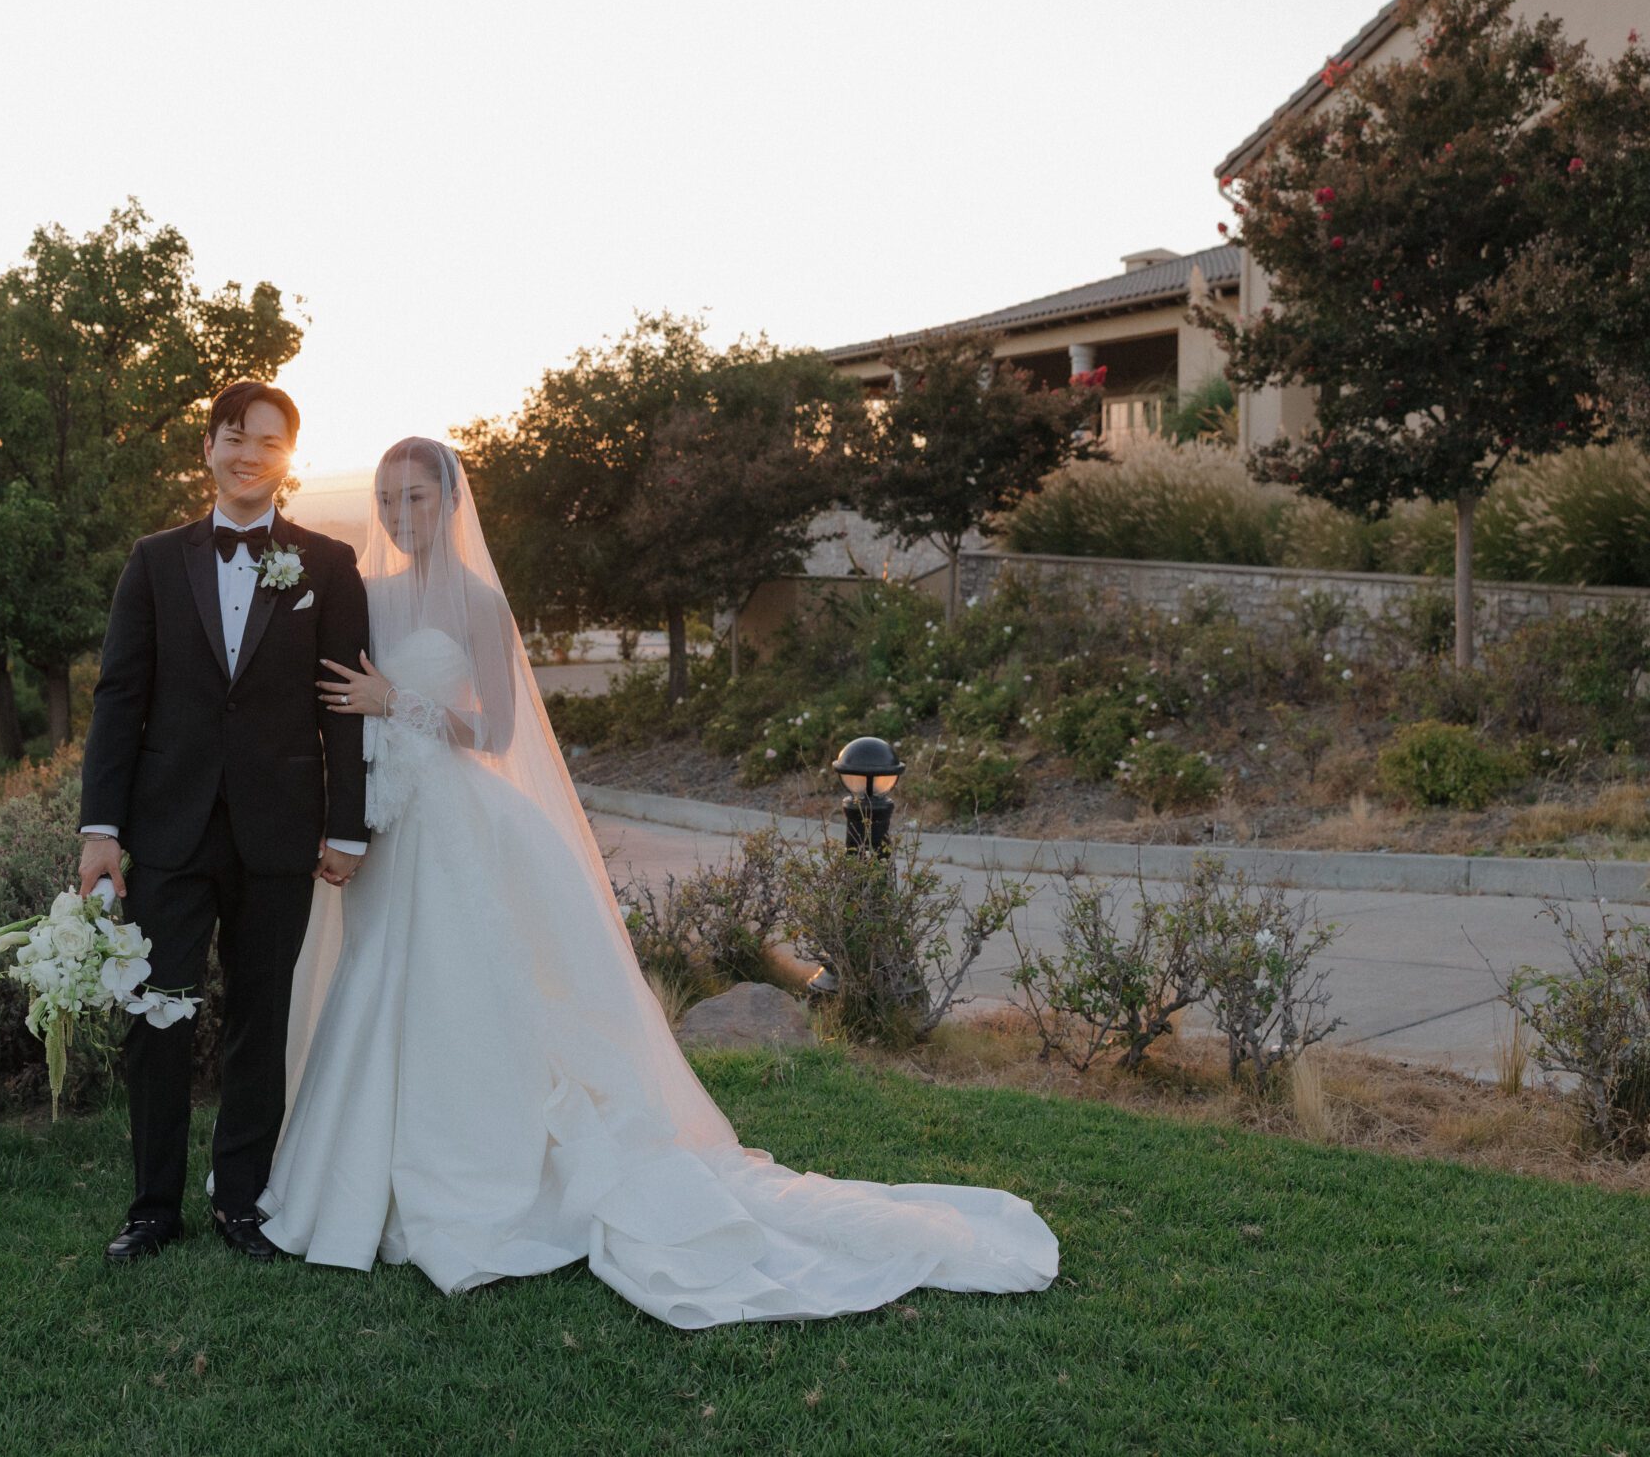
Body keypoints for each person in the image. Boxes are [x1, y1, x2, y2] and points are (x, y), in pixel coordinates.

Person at [256, 435, 1058, 1328]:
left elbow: (494, 731)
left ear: (449, 503)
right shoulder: (363, 595)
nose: (401, 516)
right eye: (387, 498)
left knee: (466, 986)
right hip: (391, 822)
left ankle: (482, 1174)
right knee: (378, 980)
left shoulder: (480, 602)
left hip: (456, 824)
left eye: (417, 499)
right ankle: (356, 1164)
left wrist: (395, 704)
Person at [78, 380, 372, 1264]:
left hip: (281, 831)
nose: (251, 454)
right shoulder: (155, 559)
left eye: (270, 441)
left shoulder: (328, 563)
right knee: (158, 1014)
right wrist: (101, 829)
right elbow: (119, 696)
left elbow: (344, 709)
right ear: (208, 447)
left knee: (260, 1017)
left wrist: (348, 827)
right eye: (235, 437)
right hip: (168, 831)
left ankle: (242, 1202)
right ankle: (153, 1208)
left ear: (291, 457)